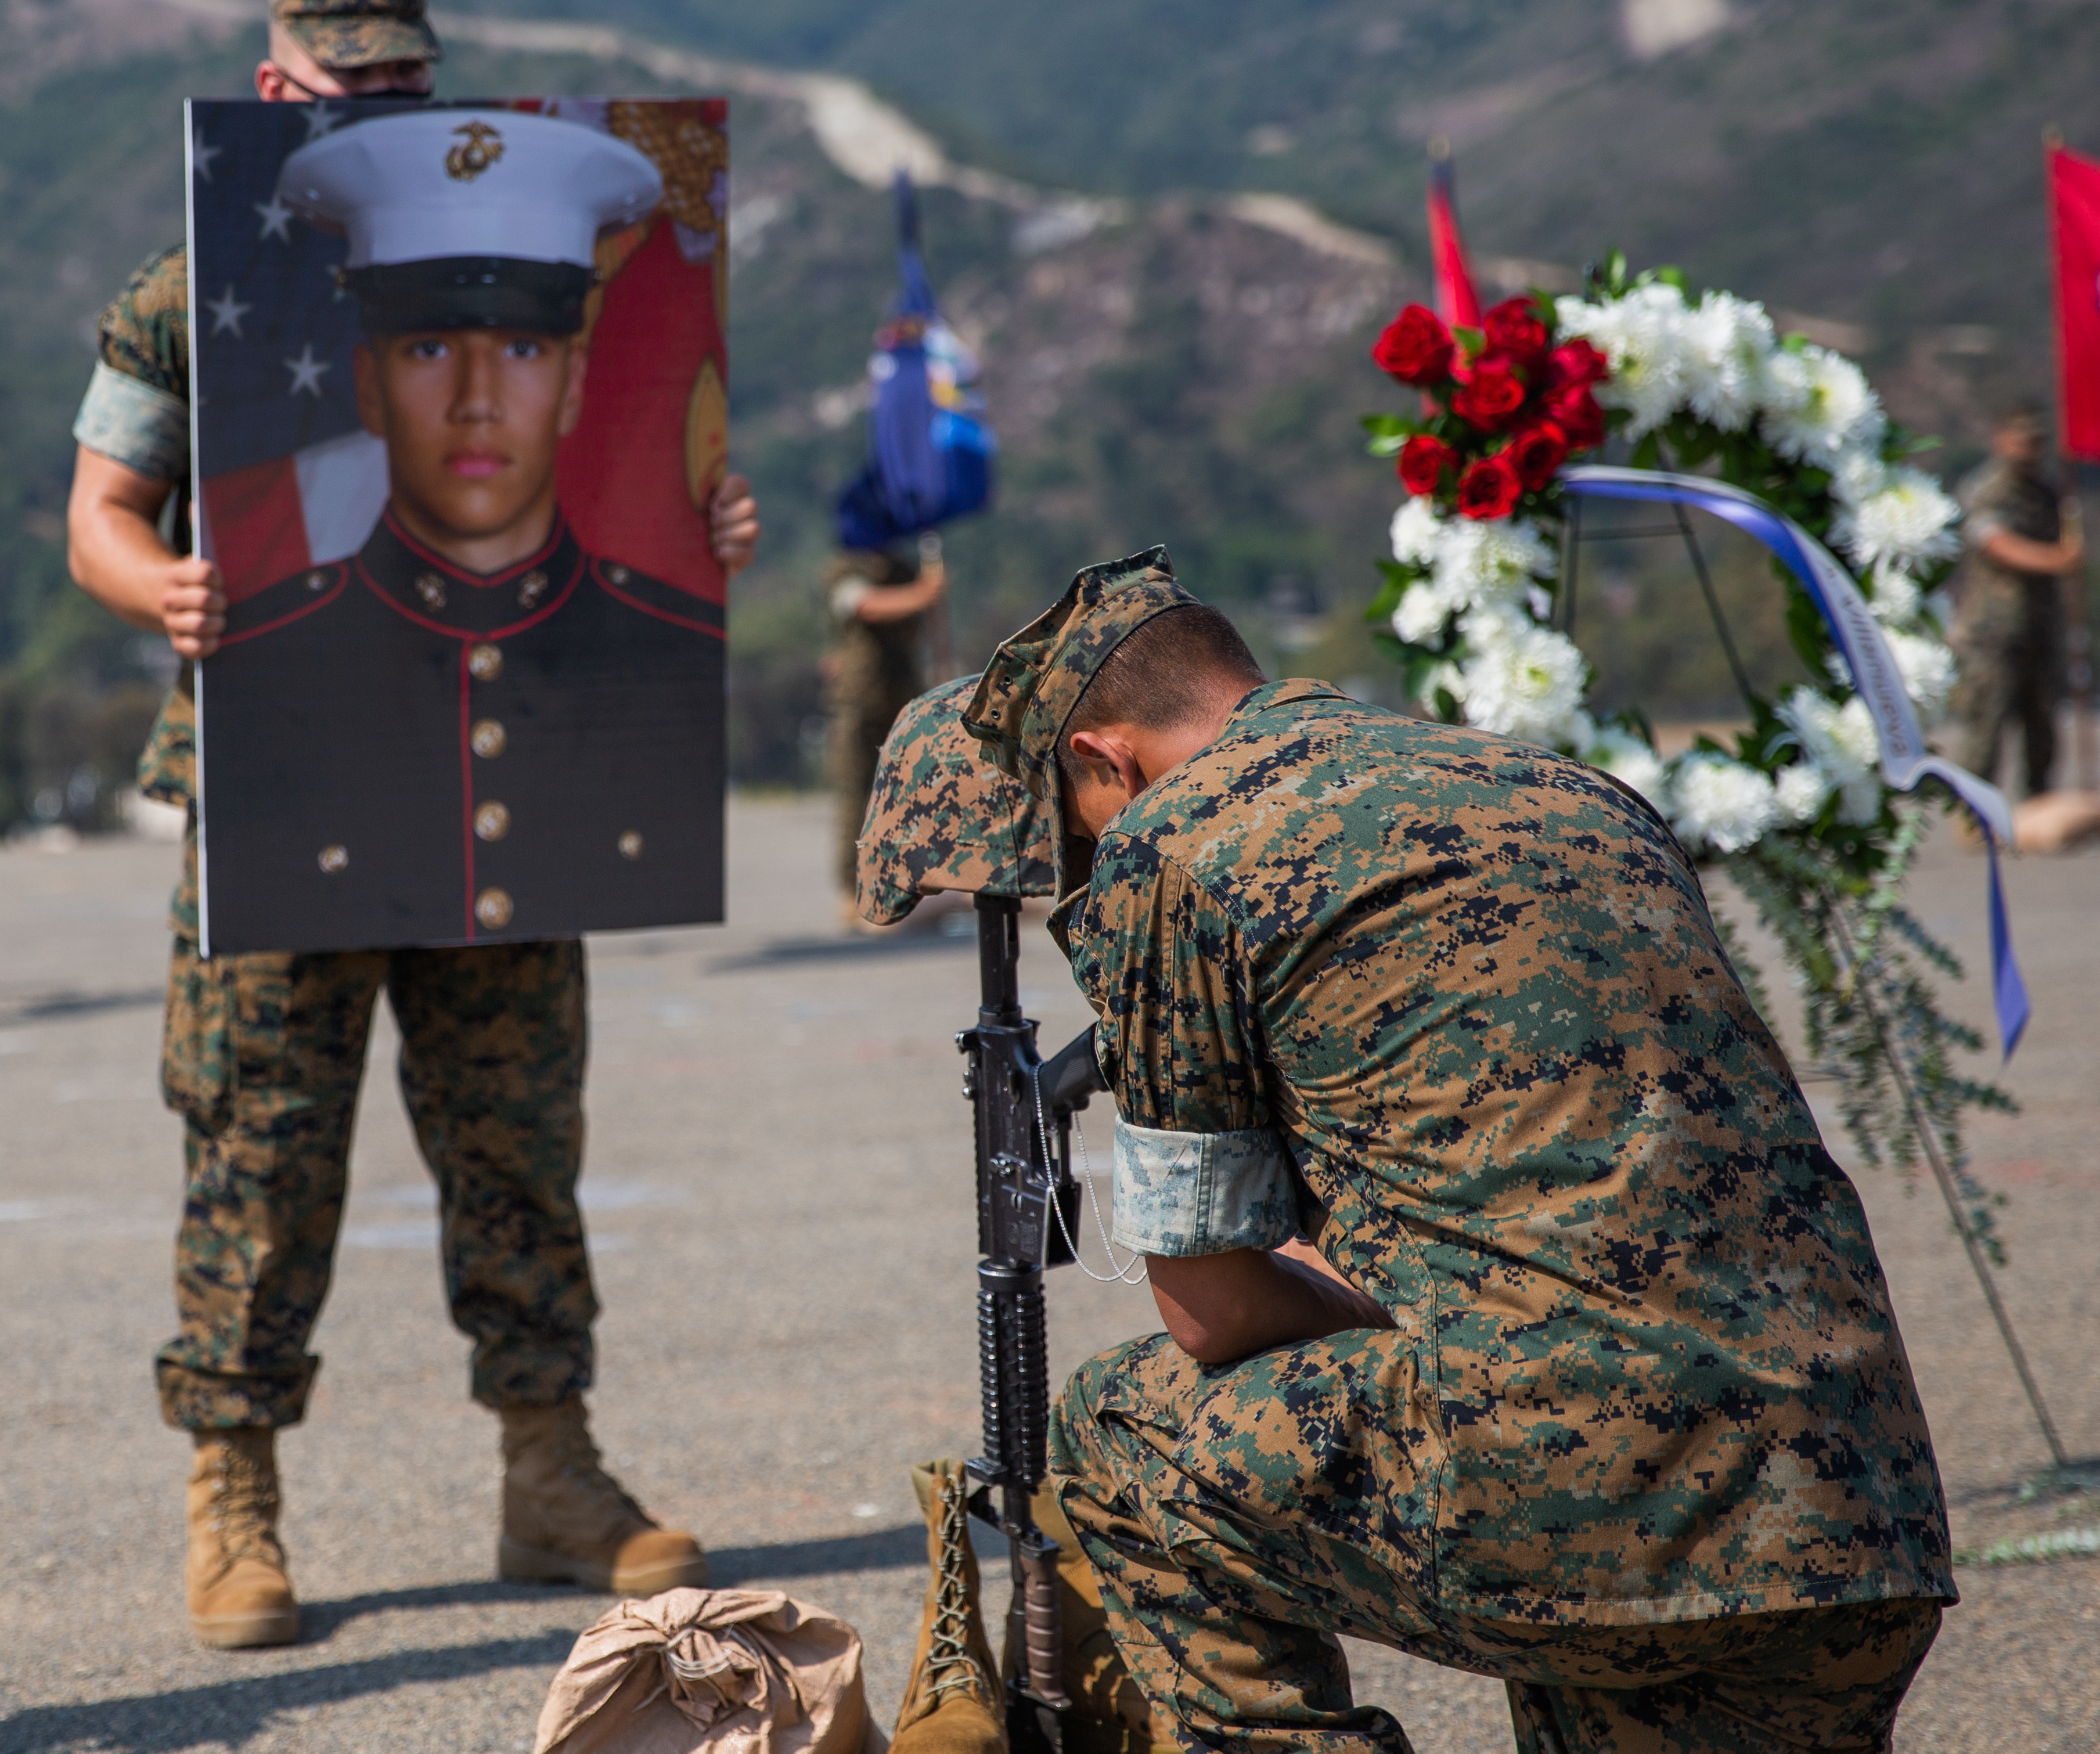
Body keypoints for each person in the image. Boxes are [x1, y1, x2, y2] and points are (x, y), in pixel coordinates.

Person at [878, 550, 1953, 1753]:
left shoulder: (1172, 844)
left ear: (1103, 758)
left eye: (1077, 822)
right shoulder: (1565, 785)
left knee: (1119, 1429)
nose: (1090, 845)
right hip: (1858, 1507)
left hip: (1590, 1501)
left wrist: (1356, 1278)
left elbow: (1211, 1310)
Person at [62, 0, 761, 1652]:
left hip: (511, 758)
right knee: (261, 1148)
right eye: (348, 86)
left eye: (406, 84)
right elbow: (97, 509)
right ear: (272, 89)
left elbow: (626, 488)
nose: (379, 105)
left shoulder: (550, 278)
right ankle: (233, 1487)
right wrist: (152, 581)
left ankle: (549, 1470)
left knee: (518, 1139)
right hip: (284, 774)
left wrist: (711, 516)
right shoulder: (192, 293)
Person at [204, 108, 723, 950]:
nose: (476, 400)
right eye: (429, 350)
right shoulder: (266, 659)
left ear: (574, 385)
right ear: (366, 386)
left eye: (521, 349)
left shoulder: (676, 649)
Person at [1947, 404, 2080, 798]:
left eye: (2037, 441)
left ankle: (2036, 807)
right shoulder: (1985, 491)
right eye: (2022, 440)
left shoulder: (2050, 493)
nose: (2030, 449)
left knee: (2042, 728)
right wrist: (2057, 559)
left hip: (2040, 627)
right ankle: (1976, 814)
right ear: (2002, 440)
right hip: (1994, 632)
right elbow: (1997, 545)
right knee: (1985, 728)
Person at [823, 539, 945, 917]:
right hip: (860, 700)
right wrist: (922, 594)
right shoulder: (846, 568)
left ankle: (910, 885)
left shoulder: (905, 570)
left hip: (903, 700)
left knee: (912, 796)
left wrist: (928, 595)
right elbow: (863, 604)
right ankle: (853, 890)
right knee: (857, 796)